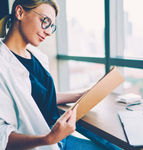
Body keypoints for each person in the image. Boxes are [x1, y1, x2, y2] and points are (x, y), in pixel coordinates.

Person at [0, 0, 121, 150]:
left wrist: (80, 95)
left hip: (59, 137)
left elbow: (37, 96)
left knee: (116, 146)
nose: (48, 32)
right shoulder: (2, 65)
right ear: (20, 12)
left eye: (51, 26)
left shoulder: (37, 56)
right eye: (45, 21)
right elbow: (2, 136)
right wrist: (48, 138)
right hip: (42, 143)